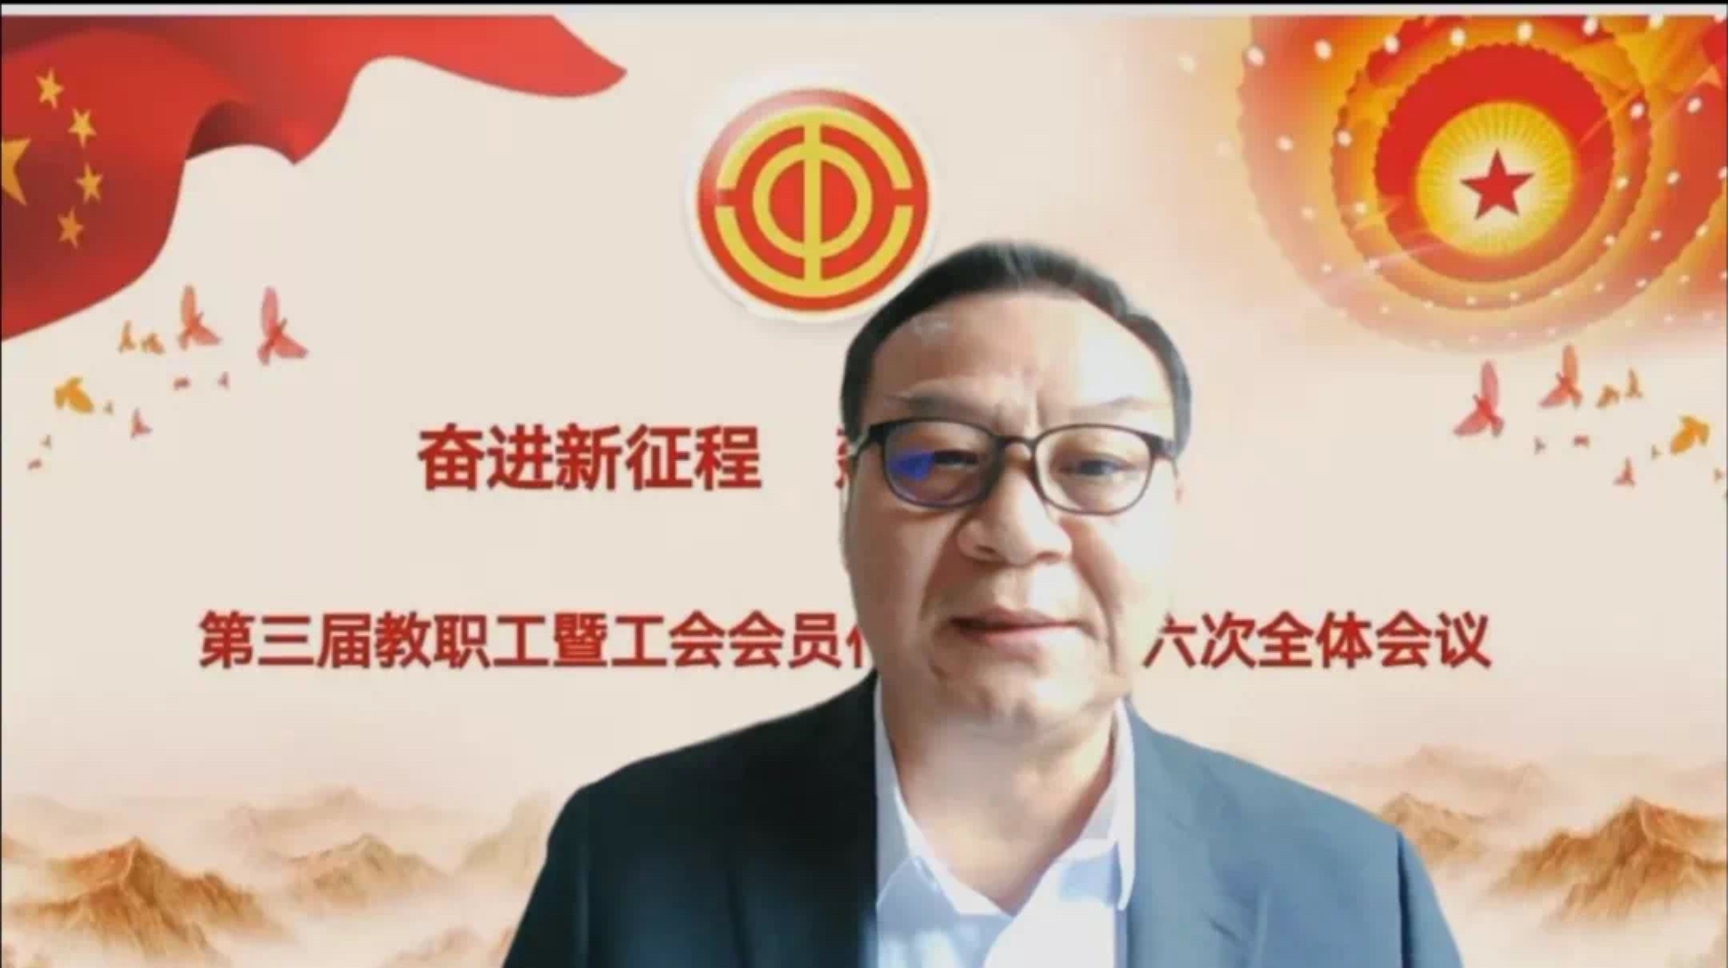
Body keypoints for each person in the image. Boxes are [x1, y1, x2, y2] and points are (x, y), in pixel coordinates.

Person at [503, 240, 1465, 968]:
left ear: (1174, 511)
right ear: (848, 499)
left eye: (1095, 466)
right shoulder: (627, 865)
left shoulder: (1354, 896)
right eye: (941, 459)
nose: (1015, 529)